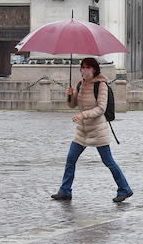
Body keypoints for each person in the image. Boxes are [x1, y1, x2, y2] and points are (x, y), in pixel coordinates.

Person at [51, 57, 133, 203]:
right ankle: (65, 191)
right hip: (82, 130)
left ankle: (124, 189)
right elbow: (73, 104)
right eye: (82, 67)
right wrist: (69, 95)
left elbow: (101, 108)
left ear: (94, 69)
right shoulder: (80, 84)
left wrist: (84, 115)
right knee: (70, 160)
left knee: (108, 161)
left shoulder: (101, 85)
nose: (84, 70)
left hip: (97, 129)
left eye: (87, 67)